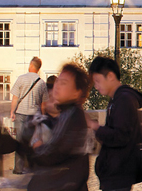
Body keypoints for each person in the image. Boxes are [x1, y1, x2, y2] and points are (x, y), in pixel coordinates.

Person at [22, 63, 92, 191]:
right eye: (58, 81)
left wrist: (37, 146)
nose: (57, 86)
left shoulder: (73, 115)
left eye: (64, 83)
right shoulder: (66, 113)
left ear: (77, 92)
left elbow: (53, 153)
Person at [87, 56, 142, 191]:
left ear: (110, 76)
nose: (96, 86)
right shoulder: (116, 99)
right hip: (115, 171)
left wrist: (94, 126)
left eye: (98, 81)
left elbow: (120, 136)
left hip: (119, 171)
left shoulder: (123, 100)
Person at [10, 56, 48, 174]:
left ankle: (18, 168)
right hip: (33, 115)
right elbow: (43, 103)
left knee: (19, 141)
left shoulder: (21, 79)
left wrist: (12, 112)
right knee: (33, 141)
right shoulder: (41, 83)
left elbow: (15, 98)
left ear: (31, 65)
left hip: (21, 113)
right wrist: (43, 116)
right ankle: (32, 167)